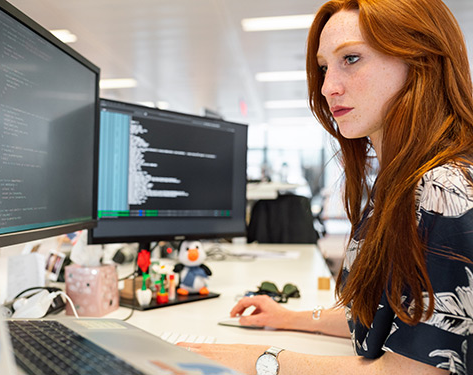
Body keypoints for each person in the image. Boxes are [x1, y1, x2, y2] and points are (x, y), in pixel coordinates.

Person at [178, 0, 473, 374]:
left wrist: (262, 360)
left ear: (421, 60)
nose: (327, 87)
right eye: (323, 67)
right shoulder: (399, 183)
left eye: (351, 58)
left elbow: (414, 370)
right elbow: (392, 318)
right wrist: (291, 318)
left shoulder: (443, 189)